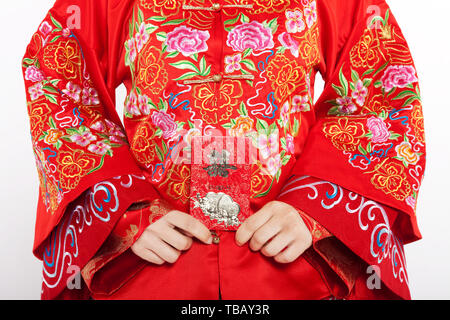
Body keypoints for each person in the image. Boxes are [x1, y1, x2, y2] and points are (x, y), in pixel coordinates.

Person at [22, 0, 426, 300]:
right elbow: (57, 81)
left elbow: (384, 97)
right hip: (153, 266)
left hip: (290, 264)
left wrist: (316, 207)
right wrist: (123, 212)